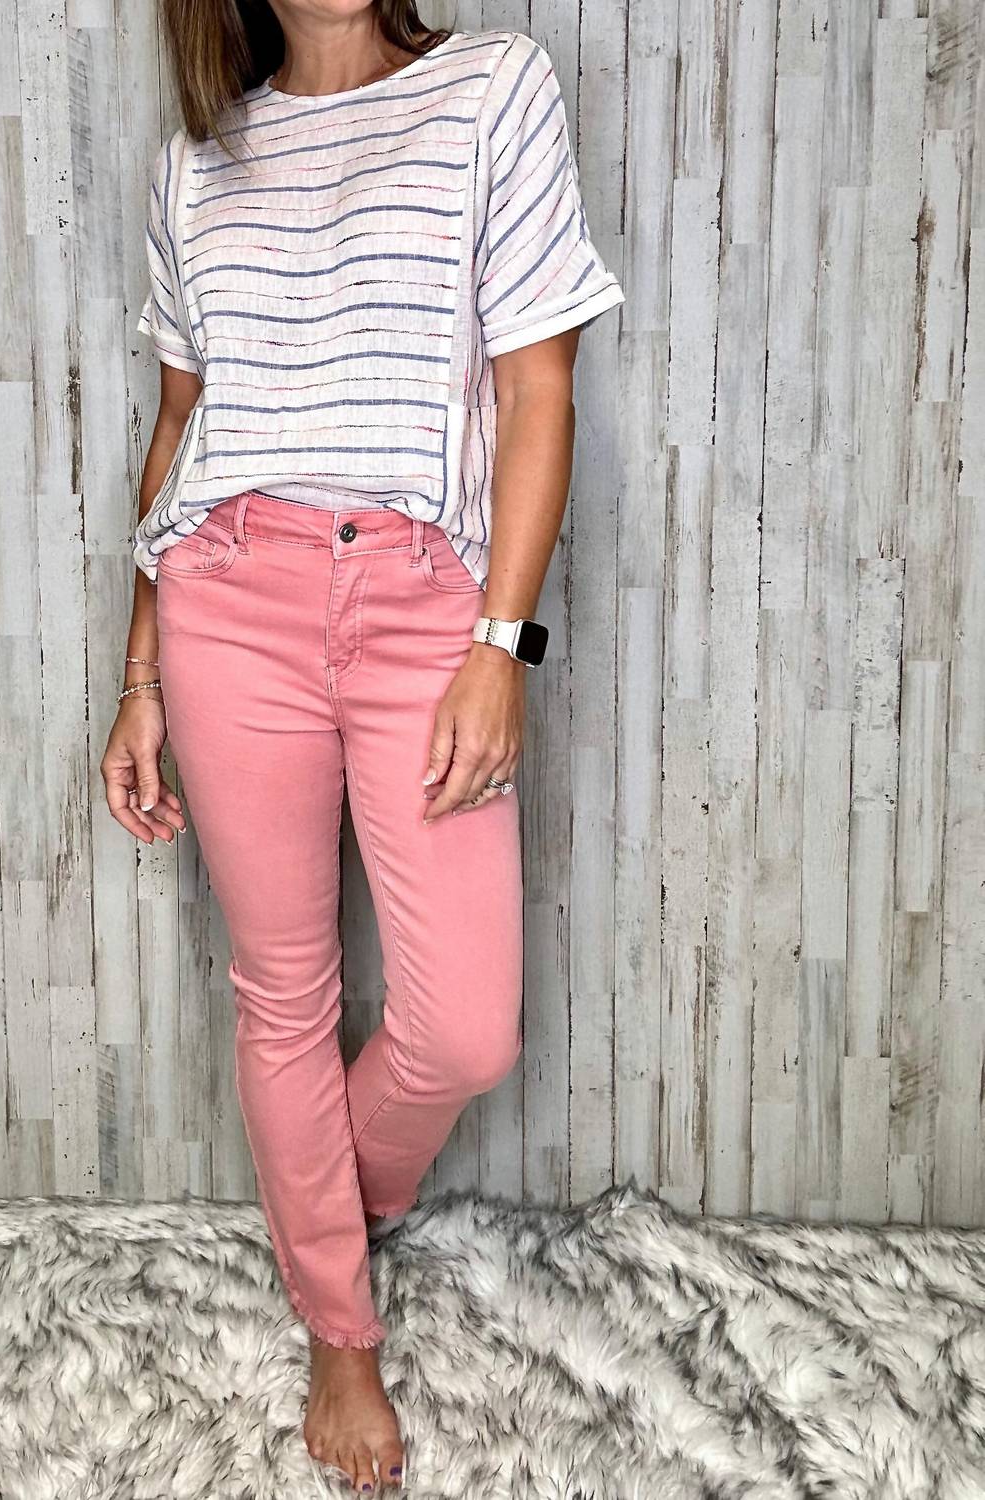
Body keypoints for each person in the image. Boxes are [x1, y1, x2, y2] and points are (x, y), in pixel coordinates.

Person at [100, 1, 624, 1490]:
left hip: (424, 603)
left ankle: (326, 1198)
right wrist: (137, 676)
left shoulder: (490, 89)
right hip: (226, 593)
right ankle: (339, 1329)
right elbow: (179, 424)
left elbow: (537, 387)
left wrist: (499, 645)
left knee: (467, 1028)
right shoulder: (198, 161)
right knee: (283, 992)